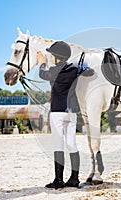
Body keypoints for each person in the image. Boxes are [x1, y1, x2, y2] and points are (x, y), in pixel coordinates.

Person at [37, 41, 81, 189]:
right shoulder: (75, 68)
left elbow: (42, 74)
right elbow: (89, 71)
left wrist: (42, 62)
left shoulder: (53, 71)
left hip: (57, 111)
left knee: (58, 145)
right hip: (72, 111)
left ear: (56, 57)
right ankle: (74, 179)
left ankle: (59, 180)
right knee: (72, 144)